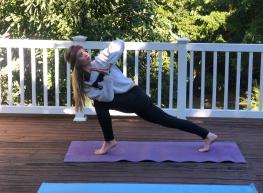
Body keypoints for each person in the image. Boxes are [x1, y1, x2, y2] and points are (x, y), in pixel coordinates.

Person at [64, 39, 217, 155]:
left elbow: (119, 43)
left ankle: (109, 141)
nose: (85, 54)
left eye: (84, 51)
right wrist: (106, 78)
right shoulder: (84, 83)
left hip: (136, 96)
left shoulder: (102, 60)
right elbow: (108, 97)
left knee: (168, 120)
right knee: (100, 104)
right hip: (125, 101)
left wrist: (107, 67)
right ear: (76, 63)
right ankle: (207, 135)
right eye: (80, 55)